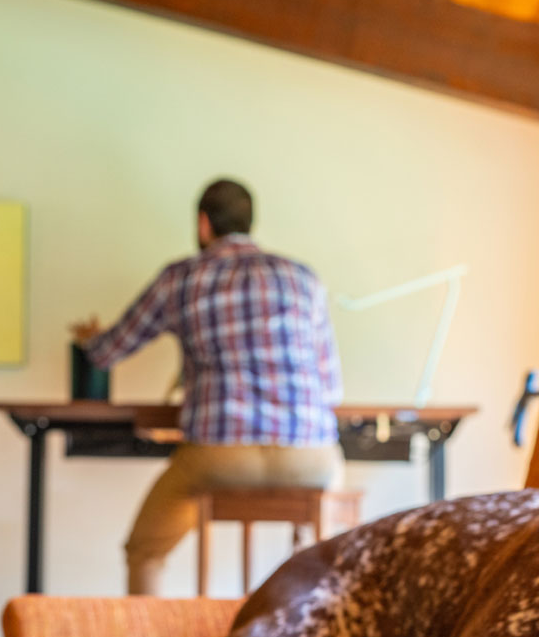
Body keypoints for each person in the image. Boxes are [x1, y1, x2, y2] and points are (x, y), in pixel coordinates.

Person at [72, 179, 344, 595]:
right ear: (250, 221)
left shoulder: (181, 278)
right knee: (331, 536)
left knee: (145, 551)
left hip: (219, 457)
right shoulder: (303, 278)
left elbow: (108, 351)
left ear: (203, 224)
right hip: (309, 459)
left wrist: (89, 337)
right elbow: (331, 388)